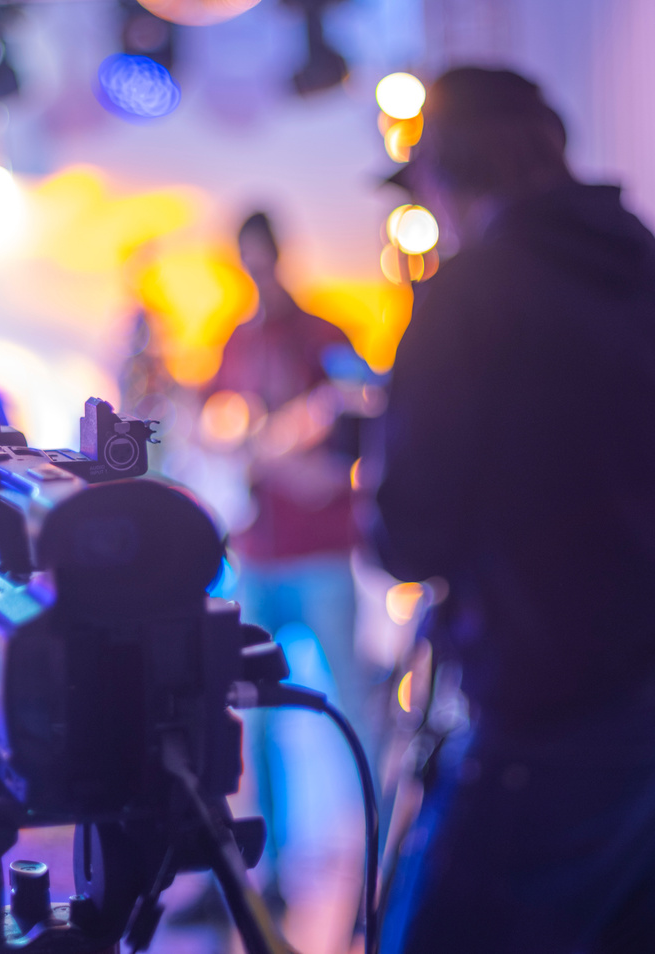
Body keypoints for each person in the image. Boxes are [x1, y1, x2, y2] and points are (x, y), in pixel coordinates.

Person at [370, 68, 655, 954]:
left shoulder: (463, 303)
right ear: (556, 149)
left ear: (444, 179)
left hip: (544, 730)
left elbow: (406, 539)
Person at [205, 211, 375, 914]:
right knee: (254, 719)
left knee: (360, 711)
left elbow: (358, 434)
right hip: (260, 556)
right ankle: (266, 874)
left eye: (263, 260)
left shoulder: (324, 335)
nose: (258, 274)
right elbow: (216, 430)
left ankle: (380, 856)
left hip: (323, 555)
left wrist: (297, 466)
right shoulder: (236, 343)